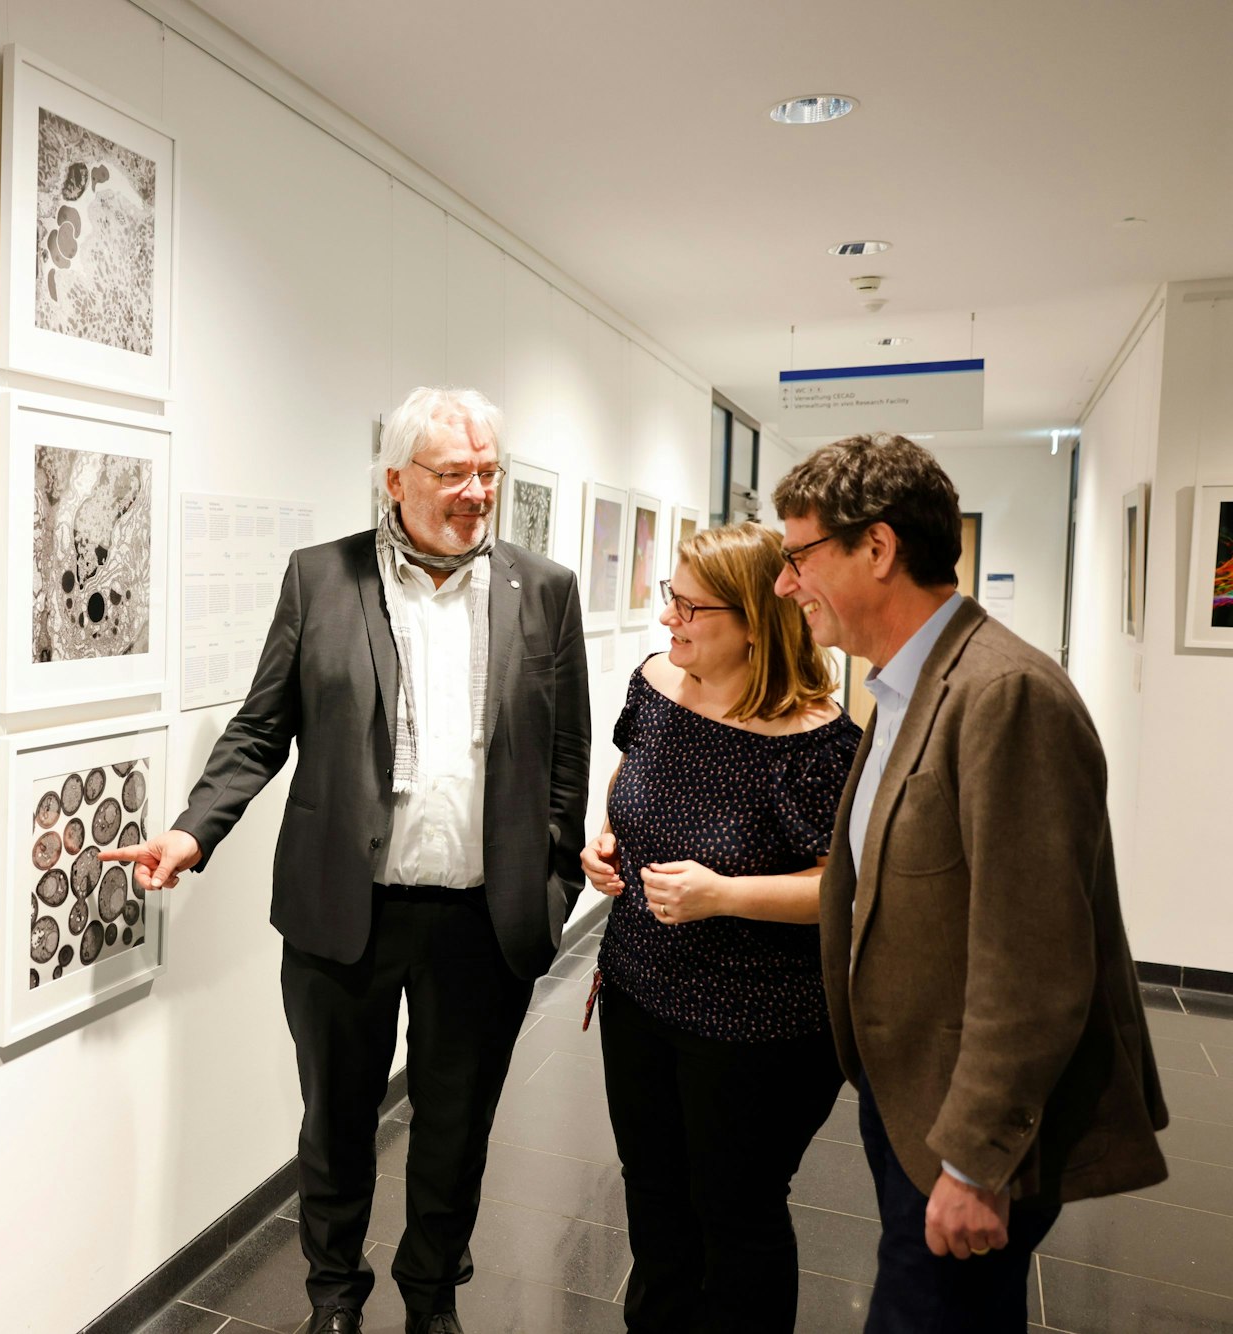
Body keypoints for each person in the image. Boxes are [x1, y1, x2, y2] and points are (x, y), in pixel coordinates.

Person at [103, 386, 591, 1334]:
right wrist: (193, 831)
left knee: (456, 1128)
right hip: (346, 911)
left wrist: (554, 882)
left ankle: (432, 1294)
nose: (477, 493)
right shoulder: (321, 579)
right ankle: (333, 1296)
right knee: (336, 1122)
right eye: (454, 474)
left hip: (483, 918)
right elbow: (259, 729)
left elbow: (564, 758)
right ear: (395, 478)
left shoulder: (546, 588)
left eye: (489, 472)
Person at [770, 433, 1169, 1332]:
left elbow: (1035, 962)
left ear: (877, 548)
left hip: (965, 1130)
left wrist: (975, 1163)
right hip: (912, 1097)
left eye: (799, 557)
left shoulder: (1002, 694)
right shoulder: (909, 687)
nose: (787, 585)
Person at [580, 522, 860, 1331]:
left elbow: (838, 889)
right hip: (637, 990)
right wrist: (608, 842)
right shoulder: (656, 682)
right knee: (654, 1194)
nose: (669, 620)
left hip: (756, 1021)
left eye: (691, 607)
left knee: (735, 1214)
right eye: (670, 597)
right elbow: (631, 777)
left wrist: (722, 895)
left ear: (754, 622)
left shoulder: (815, 742)